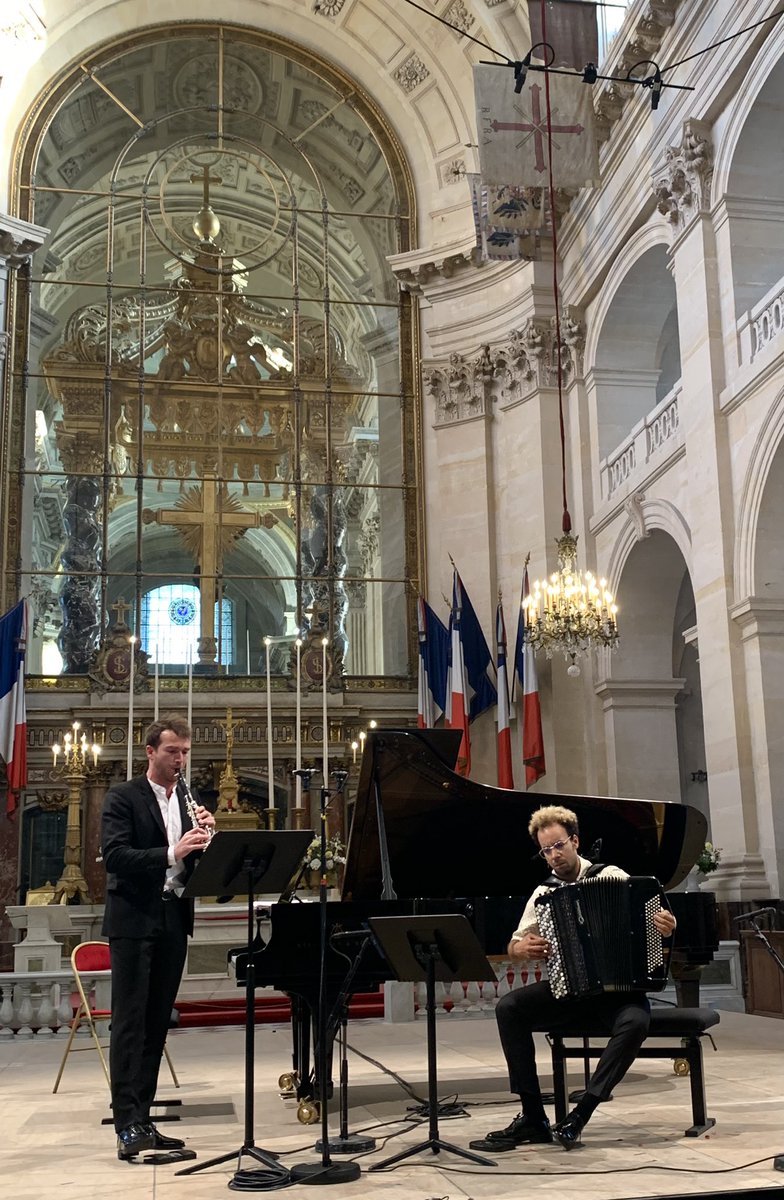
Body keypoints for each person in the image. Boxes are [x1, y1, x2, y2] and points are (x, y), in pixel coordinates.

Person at [472, 804, 676, 1153]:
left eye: (558, 846)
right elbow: (514, 943)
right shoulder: (543, 894)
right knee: (509, 1008)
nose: (553, 856)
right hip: (570, 990)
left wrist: (665, 927)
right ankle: (533, 1117)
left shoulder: (610, 875)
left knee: (636, 1021)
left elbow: (650, 917)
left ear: (575, 841)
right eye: (546, 850)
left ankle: (580, 1114)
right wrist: (522, 948)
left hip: (617, 994)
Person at [101, 714, 215, 1160]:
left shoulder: (189, 801)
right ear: (150, 752)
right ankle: (126, 1123)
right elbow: (115, 856)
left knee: (156, 1022)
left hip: (172, 919)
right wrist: (174, 851)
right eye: (172, 752)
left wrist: (209, 839)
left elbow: (197, 867)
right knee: (130, 1023)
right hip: (133, 921)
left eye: (185, 752)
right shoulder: (122, 797)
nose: (180, 760)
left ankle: (144, 1118)